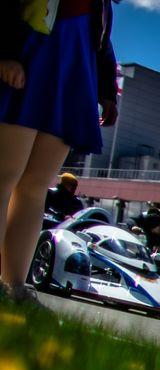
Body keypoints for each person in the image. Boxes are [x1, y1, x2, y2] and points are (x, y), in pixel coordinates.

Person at [0, 1, 118, 305]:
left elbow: (102, 41)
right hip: (30, 59)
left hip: (72, 78)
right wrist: (7, 53)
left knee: (36, 186)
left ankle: (14, 285)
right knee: (5, 175)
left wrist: (107, 91)